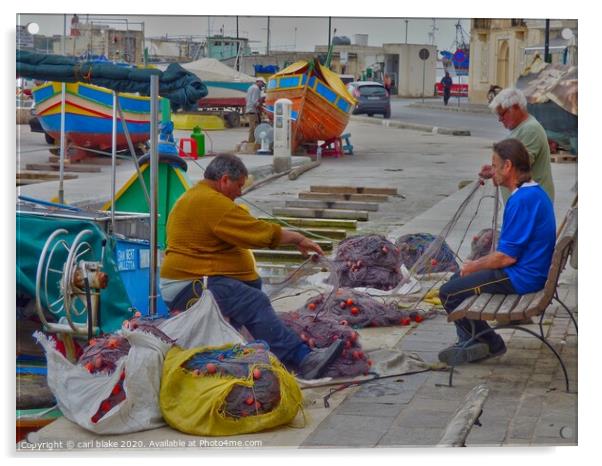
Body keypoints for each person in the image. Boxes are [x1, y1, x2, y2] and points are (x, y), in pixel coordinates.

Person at [160, 154, 343, 380]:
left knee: (249, 290)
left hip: (196, 279)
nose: (240, 192)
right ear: (225, 180)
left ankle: (252, 355)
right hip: (188, 286)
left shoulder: (204, 198)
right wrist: (297, 238)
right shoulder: (209, 202)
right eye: (238, 186)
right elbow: (256, 232)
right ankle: (302, 358)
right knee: (254, 301)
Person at [438, 138, 556, 365]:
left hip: (521, 278)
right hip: (529, 272)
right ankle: (472, 340)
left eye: (494, 165)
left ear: (508, 166)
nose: (492, 171)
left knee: (449, 293)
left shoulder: (521, 200)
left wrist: (474, 265)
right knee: (457, 279)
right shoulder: (534, 192)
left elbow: (506, 257)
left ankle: (490, 343)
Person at [479, 87, 555, 203]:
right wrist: (495, 168)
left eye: (502, 114)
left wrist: (494, 172)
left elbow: (517, 167)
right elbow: (510, 162)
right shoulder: (521, 128)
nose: (500, 119)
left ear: (515, 108)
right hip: (525, 202)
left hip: (531, 203)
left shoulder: (530, 129)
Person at [245, 77, 266, 143]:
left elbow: (248, 99)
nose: (262, 86)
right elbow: (255, 101)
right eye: (262, 84)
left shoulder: (251, 87)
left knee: (253, 127)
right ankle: (252, 142)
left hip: (250, 109)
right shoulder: (256, 88)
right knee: (254, 128)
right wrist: (261, 106)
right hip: (253, 111)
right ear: (259, 82)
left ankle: (252, 142)